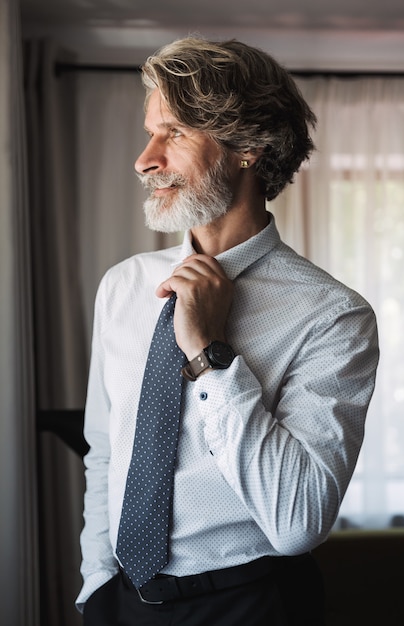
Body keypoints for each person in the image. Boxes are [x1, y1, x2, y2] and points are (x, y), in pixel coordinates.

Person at [76, 36, 379, 625]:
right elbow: (105, 456)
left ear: (249, 148)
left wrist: (211, 355)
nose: (144, 159)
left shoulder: (333, 317)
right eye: (149, 132)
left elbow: (298, 522)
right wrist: (95, 588)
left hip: (251, 605)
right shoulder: (122, 286)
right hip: (120, 603)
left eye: (175, 133)